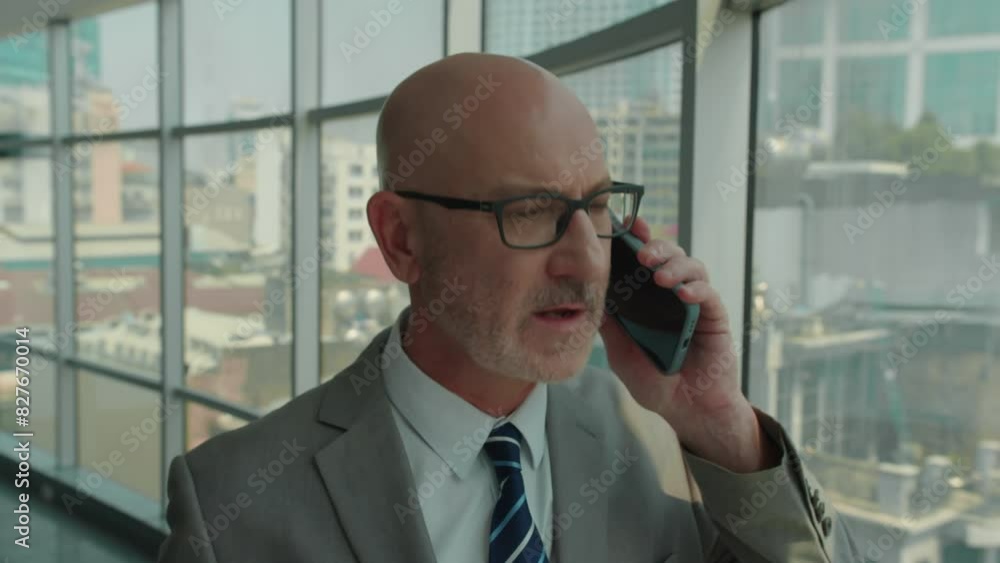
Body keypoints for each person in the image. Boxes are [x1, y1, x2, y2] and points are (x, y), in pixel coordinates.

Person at [158, 53, 860, 563]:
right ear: (401, 239)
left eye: (596, 207)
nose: (585, 260)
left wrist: (724, 426)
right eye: (529, 210)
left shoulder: (669, 442)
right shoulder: (231, 504)